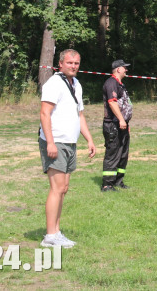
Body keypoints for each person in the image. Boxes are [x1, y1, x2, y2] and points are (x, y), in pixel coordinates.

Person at [39, 48, 96, 248]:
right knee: (56, 188)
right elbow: (45, 114)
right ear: (60, 64)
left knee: (64, 188)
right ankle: (50, 236)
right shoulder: (54, 83)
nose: (73, 66)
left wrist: (89, 139)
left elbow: (79, 114)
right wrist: (51, 142)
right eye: (70, 63)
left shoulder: (76, 84)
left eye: (76, 63)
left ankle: (56, 231)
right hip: (56, 141)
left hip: (70, 142)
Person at [101, 59, 133, 192]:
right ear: (118, 69)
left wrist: (125, 122)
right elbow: (112, 103)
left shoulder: (120, 84)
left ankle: (118, 181)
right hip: (113, 125)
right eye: (124, 68)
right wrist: (121, 120)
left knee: (123, 155)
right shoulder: (111, 83)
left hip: (122, 125)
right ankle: (107, 184)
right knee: (113, 154)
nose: (126, 70)